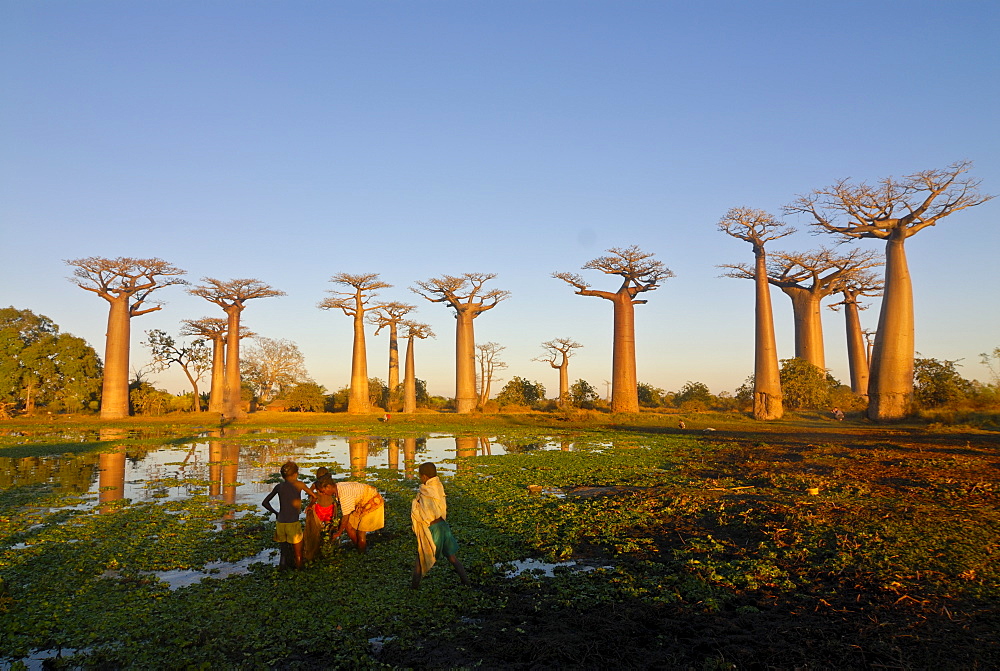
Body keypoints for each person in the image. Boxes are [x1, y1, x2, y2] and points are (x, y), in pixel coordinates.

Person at [410, 462, 470, 589]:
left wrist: (415, 505)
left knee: (421, 558)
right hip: (443, 526)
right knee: (451, 557)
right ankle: (466, 582)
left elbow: (425, 515)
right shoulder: (438, 486)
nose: (420, 479)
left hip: (433, 529)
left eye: (420, 476)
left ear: (425, 477)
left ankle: (413, 588)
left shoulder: (426, 490)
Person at [262, 461, 315, 569]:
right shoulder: (299, 484)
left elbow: (265, 503)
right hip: (293, 523)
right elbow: (314, 496)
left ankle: (282, 570)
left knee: (283, 553)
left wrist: (275, 513)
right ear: (296, 474)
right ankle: (299, 573)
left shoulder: (279, 486)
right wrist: (309, 505)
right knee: (298, 554)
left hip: (280, 523)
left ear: (282, 475)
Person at [331, 480, 385, 553]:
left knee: (361, 532)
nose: (323, 493)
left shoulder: (345, 496)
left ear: (328, 487)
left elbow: (345, 518)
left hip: (372, 502)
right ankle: (357, 546)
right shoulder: (337, 486)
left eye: (323, 491)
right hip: (362, 502)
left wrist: (338, 533)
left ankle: (362, 554)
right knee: (348, 525)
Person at [303, 474, 338, 562]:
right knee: (326, 526)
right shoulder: (319, 485)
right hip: (326, 507)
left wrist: (313, 498)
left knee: (325, 526)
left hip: (325, 508)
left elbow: (309, 493)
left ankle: (326, 542)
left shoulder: (318, 485)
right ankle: (326, 542)